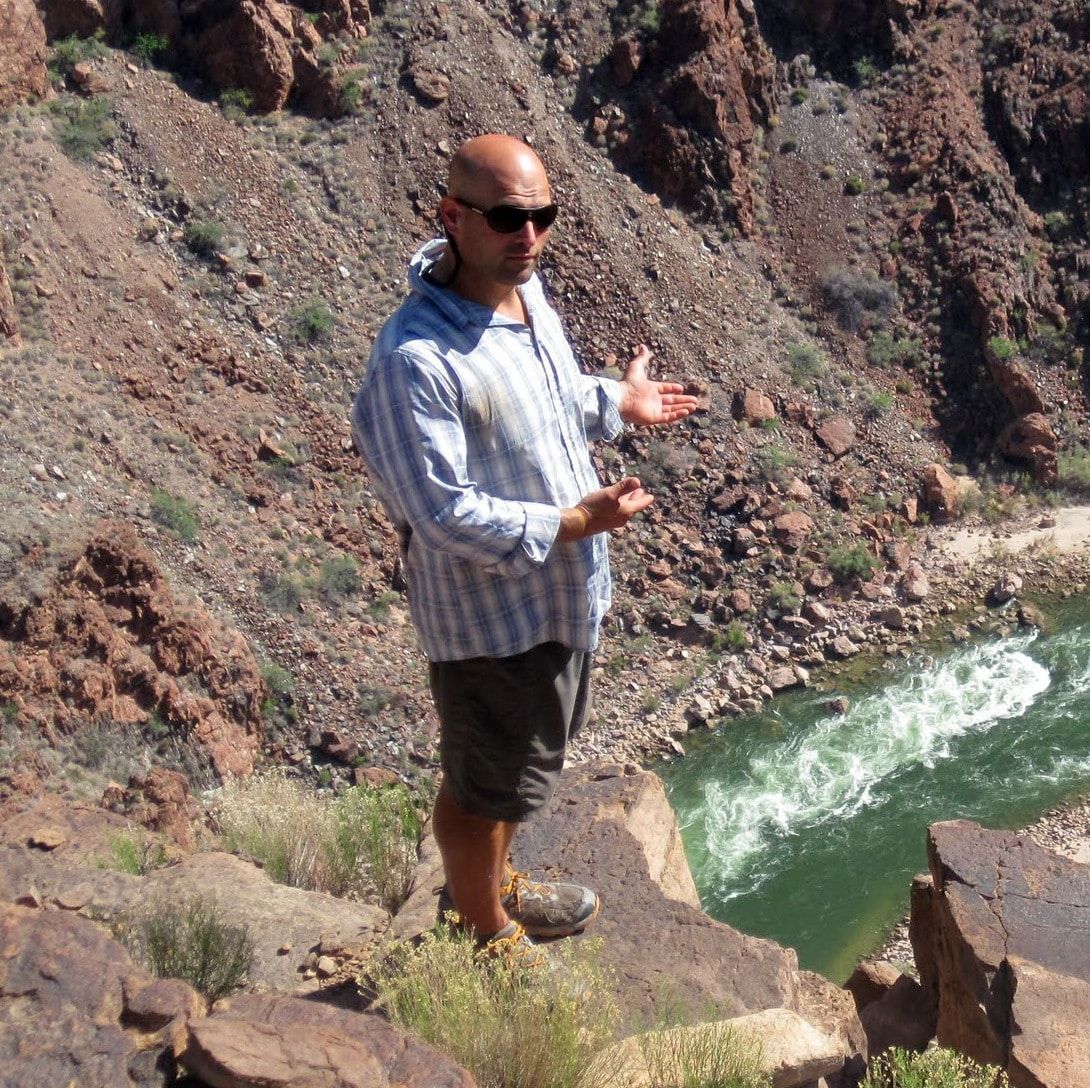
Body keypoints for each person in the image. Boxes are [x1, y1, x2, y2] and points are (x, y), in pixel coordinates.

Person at [353, 134, 697, 957]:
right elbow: (441, 515)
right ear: (452, 217)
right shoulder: (414, 362)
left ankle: (490, 886)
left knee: (510, 775)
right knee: (481, 788)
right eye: (509, 217)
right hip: (488, 628)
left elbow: (548, 401)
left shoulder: (526, 299)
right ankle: (487, 935)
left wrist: (620, 399)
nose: (530, 234)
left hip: (557, 604)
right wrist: (575, 523)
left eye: (543, 215)